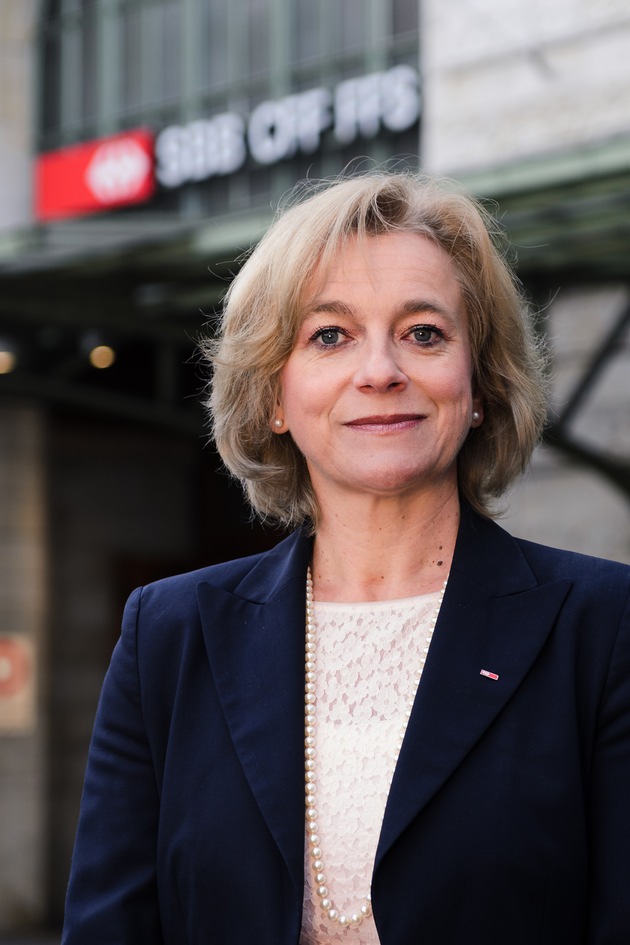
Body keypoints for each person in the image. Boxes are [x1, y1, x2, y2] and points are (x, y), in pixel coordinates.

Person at [61, 172, 630, 945]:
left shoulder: (603, 627)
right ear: (274, 395)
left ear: (480, 384)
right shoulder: (168, 635)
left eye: (424, 333)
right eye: (330, 335)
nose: (380, 370)